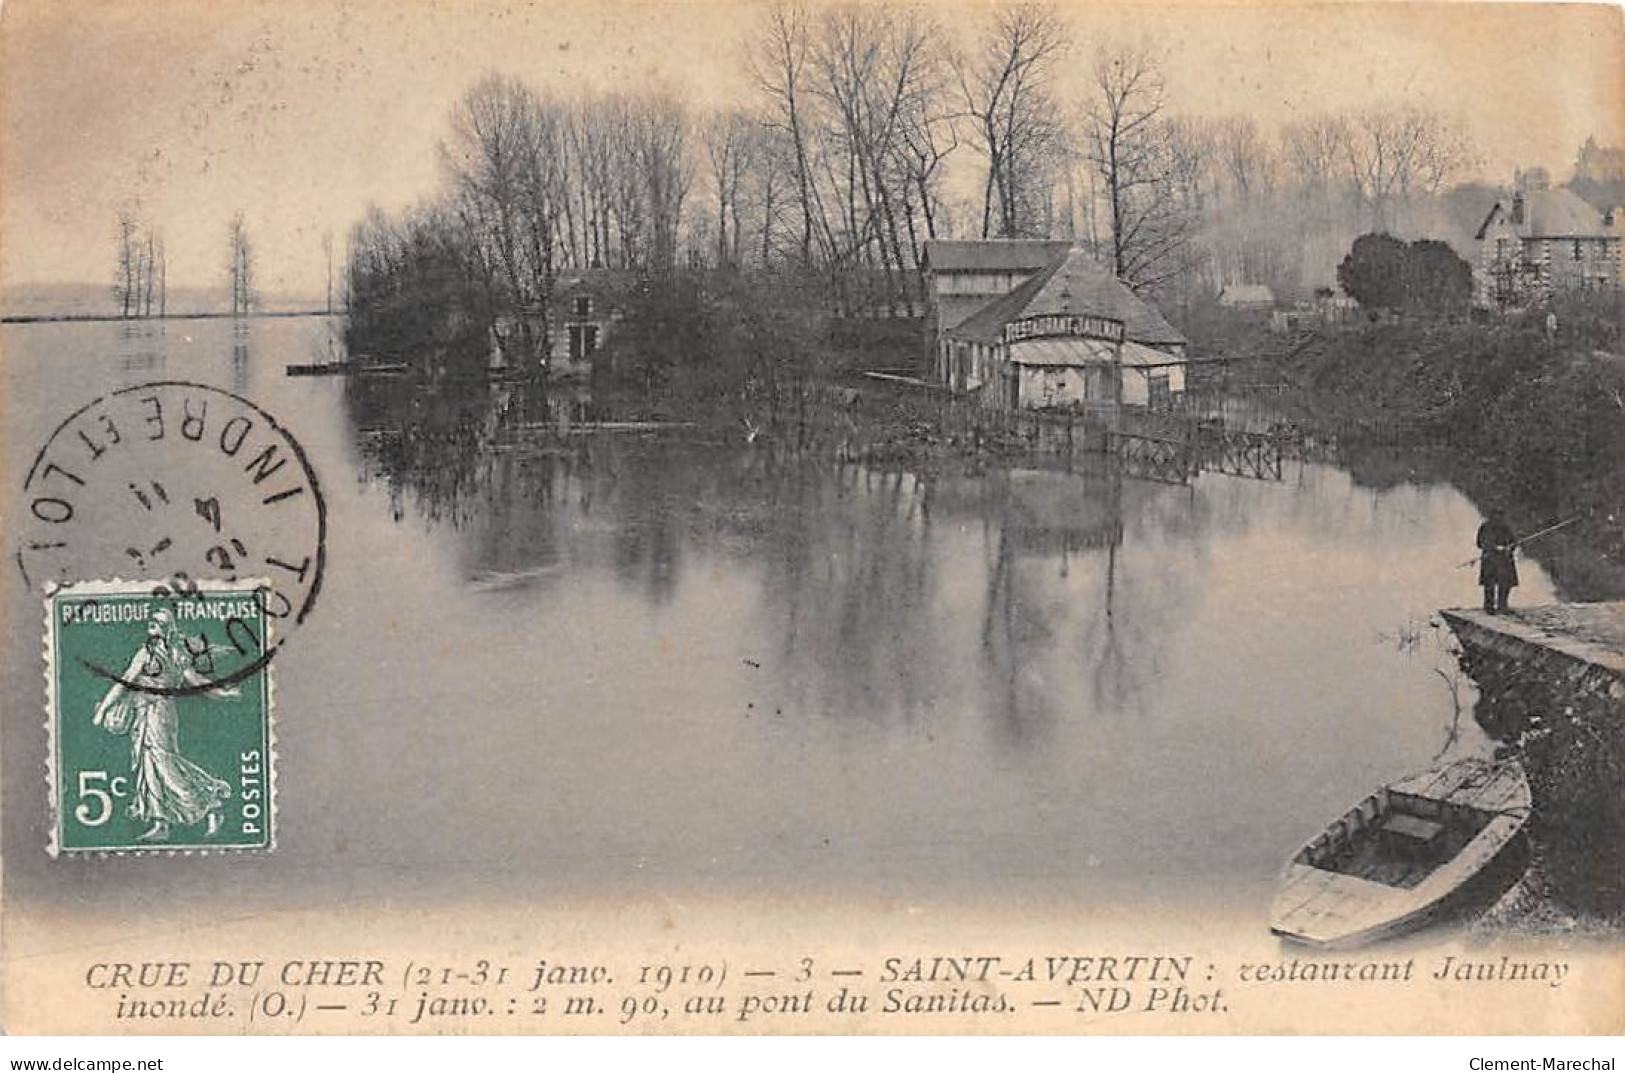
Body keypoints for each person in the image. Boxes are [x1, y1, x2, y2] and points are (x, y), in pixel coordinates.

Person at [93, 608, 238, 841]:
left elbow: (194, 681)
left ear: (167, 627)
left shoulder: (173, 654)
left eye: (157, 622)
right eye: (151, 620)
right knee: (148, 764)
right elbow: (126, 681)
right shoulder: (151, 652)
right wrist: (104, 709)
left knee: (164, 762)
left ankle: (211, 803)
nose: (151, 624)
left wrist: (222, 693)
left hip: (159, 713)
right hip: (144, 712)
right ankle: (161, 824)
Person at [1475, 510, 1519, 614]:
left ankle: (1503, 606)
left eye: (1500, 516)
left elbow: (1513, 541)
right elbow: (1481, 543)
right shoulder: (1485, 527)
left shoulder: (1506, 527)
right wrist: (1495, 548)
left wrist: (1510, 547)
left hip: (1505, 560)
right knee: (1489, 584)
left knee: (1505, 583)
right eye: (1496, 515)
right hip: (1490, 560)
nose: (1499, 518)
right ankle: (1489, 607)